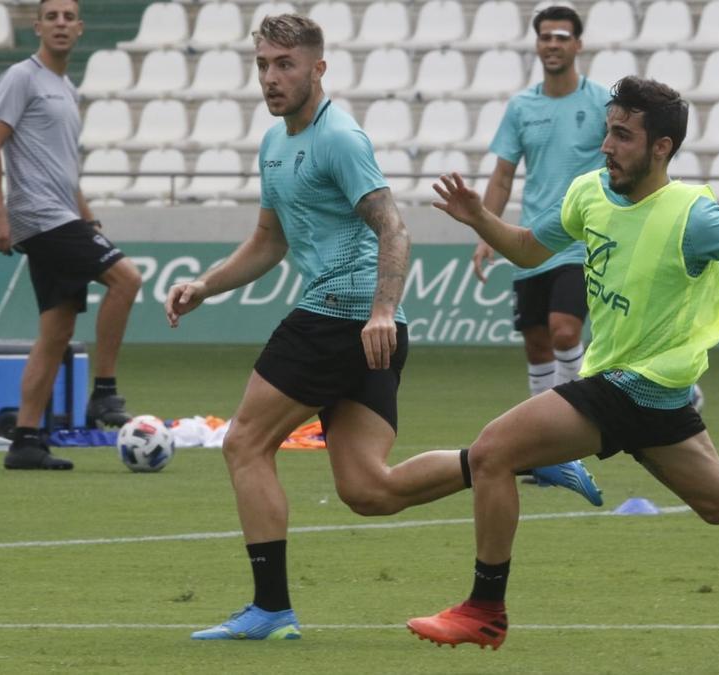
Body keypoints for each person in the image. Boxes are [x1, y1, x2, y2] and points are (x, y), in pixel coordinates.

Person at [407, 76, 719, 650]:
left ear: (661, 147)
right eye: (607, 132)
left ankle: (484, 608)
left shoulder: (695, 216)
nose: (607, 146)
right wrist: (479, 220)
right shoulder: (589, 193)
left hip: (641, 383)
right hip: (636, 387)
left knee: (494, 450)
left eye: (622, 135)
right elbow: (527, 248)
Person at [164, 14, 602, 642]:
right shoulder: (274, 143)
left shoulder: (339, 137)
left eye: (285, 64)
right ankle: (523, 461)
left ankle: (270, 609)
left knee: (244, 444)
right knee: (371, 490)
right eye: (263, 63)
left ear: (318, 68)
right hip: (365, 328)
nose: (271, 76)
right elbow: (268, 240)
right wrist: (206, 284)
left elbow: (394, 228)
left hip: (340, 318)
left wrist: (377, 311)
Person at [0, 0, 140, 471]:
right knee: (127, 280)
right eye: (53, 17)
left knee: (55, 332)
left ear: (81, 28)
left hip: (62, 214)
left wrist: (87, 217)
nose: (62, 24)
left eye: (69, 17)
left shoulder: (66, 88)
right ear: (38, 27)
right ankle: (104, 394)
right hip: (38, 216)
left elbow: (64, 170)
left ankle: (25, 440)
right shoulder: (20, 78)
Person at [473, 5, 610, 406]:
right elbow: (502, 177)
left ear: (578, 45)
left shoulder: (603, 103)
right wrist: (487, 233)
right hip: (531, 240)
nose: (552, 44)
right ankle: (548, 447)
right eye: (545, 37)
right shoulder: (521, 108)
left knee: (564, 331)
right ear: (537, 44)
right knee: (536, 345)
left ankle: (575, 424)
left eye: (561, 37)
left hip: (581, 240)